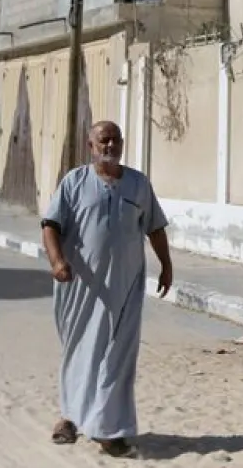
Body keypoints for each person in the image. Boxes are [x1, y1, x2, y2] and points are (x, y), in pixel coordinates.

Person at [41, 119, 173, 458]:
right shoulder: (74, 182)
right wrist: (57, 262)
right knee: (80, 350)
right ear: (91, 146)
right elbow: (50, 225)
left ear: (122, 144)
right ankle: (70, 417)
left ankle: (109, 430)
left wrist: (166, 265)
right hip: (81, 288)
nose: (109, 146)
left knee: (117, 357)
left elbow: (155, 228)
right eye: (103, 141)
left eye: (115, 140)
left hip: (125, 287)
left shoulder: (138, 184)